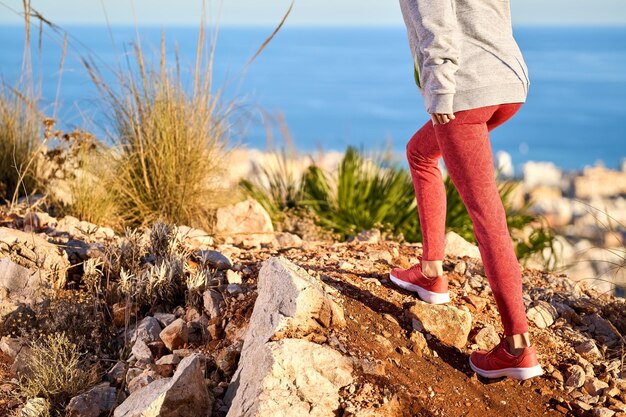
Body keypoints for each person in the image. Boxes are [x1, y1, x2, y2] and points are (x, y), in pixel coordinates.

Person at [390, 0, 544, 380]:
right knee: (421, 152)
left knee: (487, 217)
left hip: (464, 91)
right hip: (508, 84)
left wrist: (441, 90)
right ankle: (430, 272)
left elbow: (435, 21)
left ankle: (517, 347)